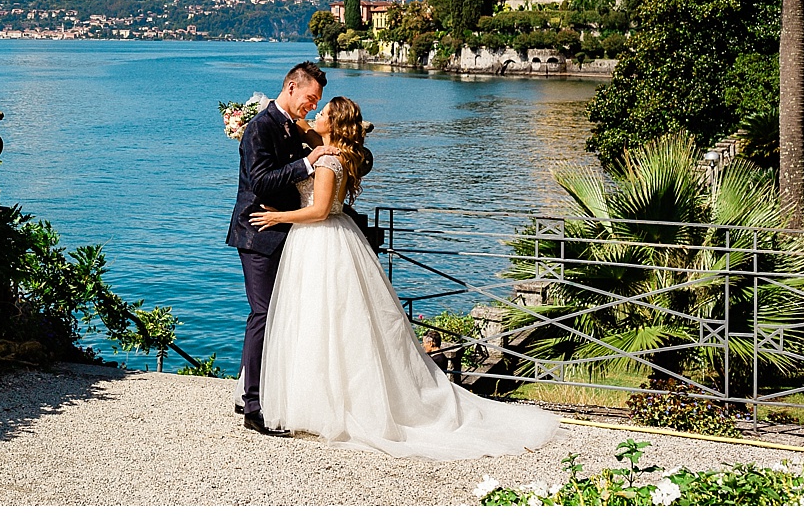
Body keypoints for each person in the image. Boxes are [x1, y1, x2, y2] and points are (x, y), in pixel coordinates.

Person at [249, 96, 558, 458]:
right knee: (330, 323)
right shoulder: (333, 152)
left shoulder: (329, 159)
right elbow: (300, 126)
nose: (315, 115)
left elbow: (318, 211)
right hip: (329, 239)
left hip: (320, 237)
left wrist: (277, 218)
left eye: (323, 113)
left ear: (333, 125)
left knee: (325, 320)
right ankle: (320, 400)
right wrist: (263, 109)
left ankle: (330, 406)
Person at [225, 61, 339, 436]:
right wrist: (308, 162)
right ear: (291, 87)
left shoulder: (291, 127)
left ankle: (249, 393)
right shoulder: (260, 128)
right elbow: (259, 181)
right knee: (263, 315)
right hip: (258, 233)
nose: (311, 105)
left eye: (317, 101)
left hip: (284, 231)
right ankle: (254, 408)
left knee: (275, 315)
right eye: (310, 98)